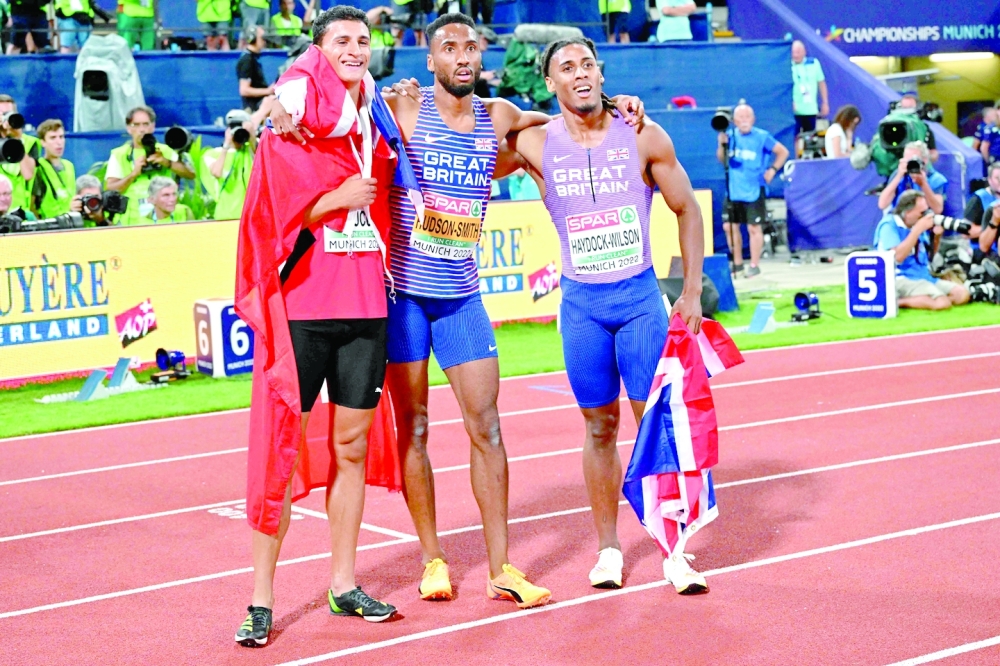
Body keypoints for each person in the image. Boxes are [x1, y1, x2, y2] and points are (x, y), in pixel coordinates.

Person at [268, 12, 645, 608]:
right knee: (413, 428)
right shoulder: (401, 112)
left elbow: (573, 115)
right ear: (431, 60)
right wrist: (285, 94)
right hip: (404, 298)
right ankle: (432, 559)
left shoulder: (501, 118)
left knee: (487, 426)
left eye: (471, 46)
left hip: (463, 298)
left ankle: (502, 567)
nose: (463, 56)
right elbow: (332, 88)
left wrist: (621, 103)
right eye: (449, 47)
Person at [505, 36, 707, 594]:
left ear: (602, 71)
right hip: (582, 309)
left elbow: (687, 208)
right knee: (599, 426)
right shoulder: (535, 143)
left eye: (588, 64)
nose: (581, 74)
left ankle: (675, 551)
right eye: (566, 68)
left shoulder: (642, 133)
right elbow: (481, 138)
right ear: (550, 82)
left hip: (639, 300)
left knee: (654, 427)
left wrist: (689, 293)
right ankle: (609, 550)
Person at [233, 5, 404, 647]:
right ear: (318, 49)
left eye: (364, 40)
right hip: (305, 310)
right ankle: (260, 598)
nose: (356, 49)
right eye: (342, 41)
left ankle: (343, 582)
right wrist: (332, 201)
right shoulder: (291, 128)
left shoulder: (376, 122)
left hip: (365, 309)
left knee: (352, 448)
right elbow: (266, 221)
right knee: (282, 445)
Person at [716, 103, 788, 277]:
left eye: (747, 117)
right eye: (740, 117)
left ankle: (754, 264)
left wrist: (772, 170)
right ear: (734, 120)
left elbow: (782, 152)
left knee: (754, 228)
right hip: (733, 190)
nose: (744, 120)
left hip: (754, 190)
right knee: (729, 227)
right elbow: (722, 160)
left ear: (753, 119)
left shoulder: (762, 137)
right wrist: (721, 144)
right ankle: (738, 263)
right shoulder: (730, 136)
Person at [874, 189, 969, 310]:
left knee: (962, 294)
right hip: (901, 277)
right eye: (922, 212)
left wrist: (937, 237)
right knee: (942, 303)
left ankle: (925, 299)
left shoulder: (915, 223)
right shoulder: (889, 225)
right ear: (907, 212)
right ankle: (897, 302)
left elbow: (928, 257)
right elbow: (897, 257)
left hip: (921, 275)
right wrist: (917, 230)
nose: (926, 215)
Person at [104, 106, 196, 226]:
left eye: (146, 124)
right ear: (128, 128)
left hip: (163, 220)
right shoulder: (120, 154)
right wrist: (133, 174)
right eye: (136, 125)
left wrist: (166, 162)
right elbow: (110, 189)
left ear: (153, 126)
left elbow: (190, 174)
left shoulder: (165, 151)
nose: (142, 129)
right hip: (131, 221)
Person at [877, 140, 945, 215]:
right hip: (900, 219)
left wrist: (923, 184)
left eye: (913, 161)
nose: (910, 164)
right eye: (907, 160)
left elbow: (937, 209)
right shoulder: (898, 174)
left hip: (924, 219)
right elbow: (882, 204)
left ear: (925, 160)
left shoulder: (936, 179)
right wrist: (899, 175)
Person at [211, 110, 256, 220]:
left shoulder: (251, 150)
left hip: (251, 216)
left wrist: (251, 137)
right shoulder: (214, 153)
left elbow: (261, 159)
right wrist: (226, 145)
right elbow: (216, 173)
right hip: (225, 215)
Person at [0, 95, 40, 213]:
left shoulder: (28, 142)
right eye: (1, 113)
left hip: (19, 213)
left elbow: (28, 174)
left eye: (8, 113)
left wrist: (18, 138)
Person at [31, 119, 75, 219]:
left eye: (61, 137)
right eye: (53, 138)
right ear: (42, 142)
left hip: (71, 224)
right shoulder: (38, 168)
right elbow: (31, 205)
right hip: (49, 228)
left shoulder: (69, 166)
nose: (58, 142)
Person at [791, 40, 828, 135]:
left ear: (804, 52)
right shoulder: (787, 66)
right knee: (794, 137)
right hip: (794, 111)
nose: (796, 55)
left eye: (798, 52)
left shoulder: (814, 63)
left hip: (810, 110)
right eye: (793, 52)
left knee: (810, 137)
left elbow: (821, 82)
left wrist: (825, 102)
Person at [237, 26, 275, 113]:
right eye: (262, 38)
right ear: (253, 38)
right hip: (254, 108)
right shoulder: (247, 60)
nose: (264, 41)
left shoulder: (252, 58)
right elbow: (244, 90)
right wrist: (268, 91)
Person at [965, 162, 1000, 243]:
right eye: (997, 178)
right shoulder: (978, 198)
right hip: (983, 250)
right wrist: (992, 227)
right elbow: (965, 232)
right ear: (989, 180)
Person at [898, 94, 938, 161]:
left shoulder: (924, 129)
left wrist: (924, 155)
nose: (907, 112)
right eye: (904, 108)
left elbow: (934, 153)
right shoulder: (887, 128)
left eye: (910, 108)